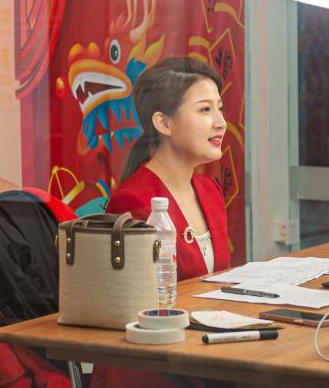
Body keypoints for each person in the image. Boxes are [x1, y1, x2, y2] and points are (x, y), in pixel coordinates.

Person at [90, 56, 231, 388]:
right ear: (163, 123)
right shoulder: (133, 202)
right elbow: (139, 313)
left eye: (220, 108)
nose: (221, 123)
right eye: (205, 110)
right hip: (153, 367)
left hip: (205, 351)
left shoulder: (209, 190)